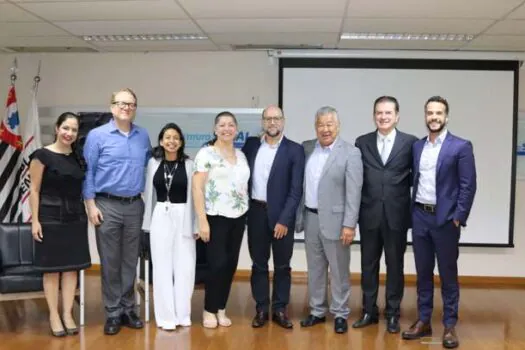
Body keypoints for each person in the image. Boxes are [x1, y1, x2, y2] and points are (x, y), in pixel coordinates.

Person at [402, 96, 476, 349]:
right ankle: (424, 320)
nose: (434, 117)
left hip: (445, 220)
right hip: (420, 216)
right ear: (425, 116)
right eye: (430, 113)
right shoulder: (417, 147)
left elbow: (468, 186)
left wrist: (458, 218)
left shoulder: (461, 146)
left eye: (439, 113)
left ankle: (450, 325)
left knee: (448, 275)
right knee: (423, 273)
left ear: (446, 116)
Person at [83, 88, 151, 335]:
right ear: (112, 107)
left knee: (130, 260)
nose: (126, 107)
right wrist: (90, 204)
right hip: (106, 204)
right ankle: (112, 312)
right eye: (122, 103)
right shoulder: (97, 136)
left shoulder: (143, 135)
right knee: (110, 261)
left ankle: (128, 309)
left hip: (135, 204)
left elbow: (148, 168)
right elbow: (88, 172)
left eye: (131, 104)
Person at [352, 96, 418, 333]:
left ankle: (392, 313)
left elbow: (417, 178)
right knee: (368, 266)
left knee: (394, 265)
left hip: (396, 216)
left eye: (388, 113)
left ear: (397, 116)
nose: (383, 117)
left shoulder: (410, 143)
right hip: (368, 214)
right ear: (374, 116)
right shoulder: (362, 142)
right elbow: (356, 179)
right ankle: (369, 311)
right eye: (379, 112)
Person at [296, 106, 363, 334]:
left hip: (337, 222)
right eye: (320, 125)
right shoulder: (306, 149)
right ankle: (316, 311)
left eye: (329, 124)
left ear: (338, 126)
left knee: (339, 270)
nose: (325, 129)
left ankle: (341, 313)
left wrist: (349, 224)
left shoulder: (350, 153)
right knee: (315, 269)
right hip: (310, 218)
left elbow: (354, 192)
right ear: (315, 127)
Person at [241, 105, 305, 329]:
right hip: (256, 213)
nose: (272, 123)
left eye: (276, 118)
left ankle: (279, 309)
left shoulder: (295, 150)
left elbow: (296, 190)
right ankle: (261, 309)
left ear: (283, 121)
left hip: (281, 218)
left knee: (282, 266)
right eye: (268, 119)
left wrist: (284, 220)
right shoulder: (250, 146)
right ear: (262, 122)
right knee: (259, 265)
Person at [29, 112, 91, 337]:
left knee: (71, 269)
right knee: (52, 270)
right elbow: (34, 190)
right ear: (57, 128)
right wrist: (35, 220)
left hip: (75, 218)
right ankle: (54, 315)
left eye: (74, 130)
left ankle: (67, 314)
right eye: (66, 128)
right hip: (50, 217)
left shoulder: (78, 158)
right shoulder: (41, 155)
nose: (69, 133)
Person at [192, 111, 250, 329]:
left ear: (236, 129)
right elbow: (197, 188)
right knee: (216, 265)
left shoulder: (242, 155)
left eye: (231, 125)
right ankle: (209, 309)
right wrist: (202, 220)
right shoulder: (206, 154)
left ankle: (221, 308)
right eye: (222, 125)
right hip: (214, 217)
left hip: (238, 216)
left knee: (230, 265)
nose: (227, 129)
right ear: (215, 129)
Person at [142, 123, 198, 331]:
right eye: (167, 137)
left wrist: (196, 224)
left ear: (181, 142)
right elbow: (149, 196)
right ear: (161, 141)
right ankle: (166, 317)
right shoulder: (153, 163)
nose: (171, 141)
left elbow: (196, 197)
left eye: (176, 138)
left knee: (185, 266)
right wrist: (146, 224)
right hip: (160, 216)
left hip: (184, 215)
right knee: (162, 267)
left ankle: (182, 314)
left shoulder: (190, 164)